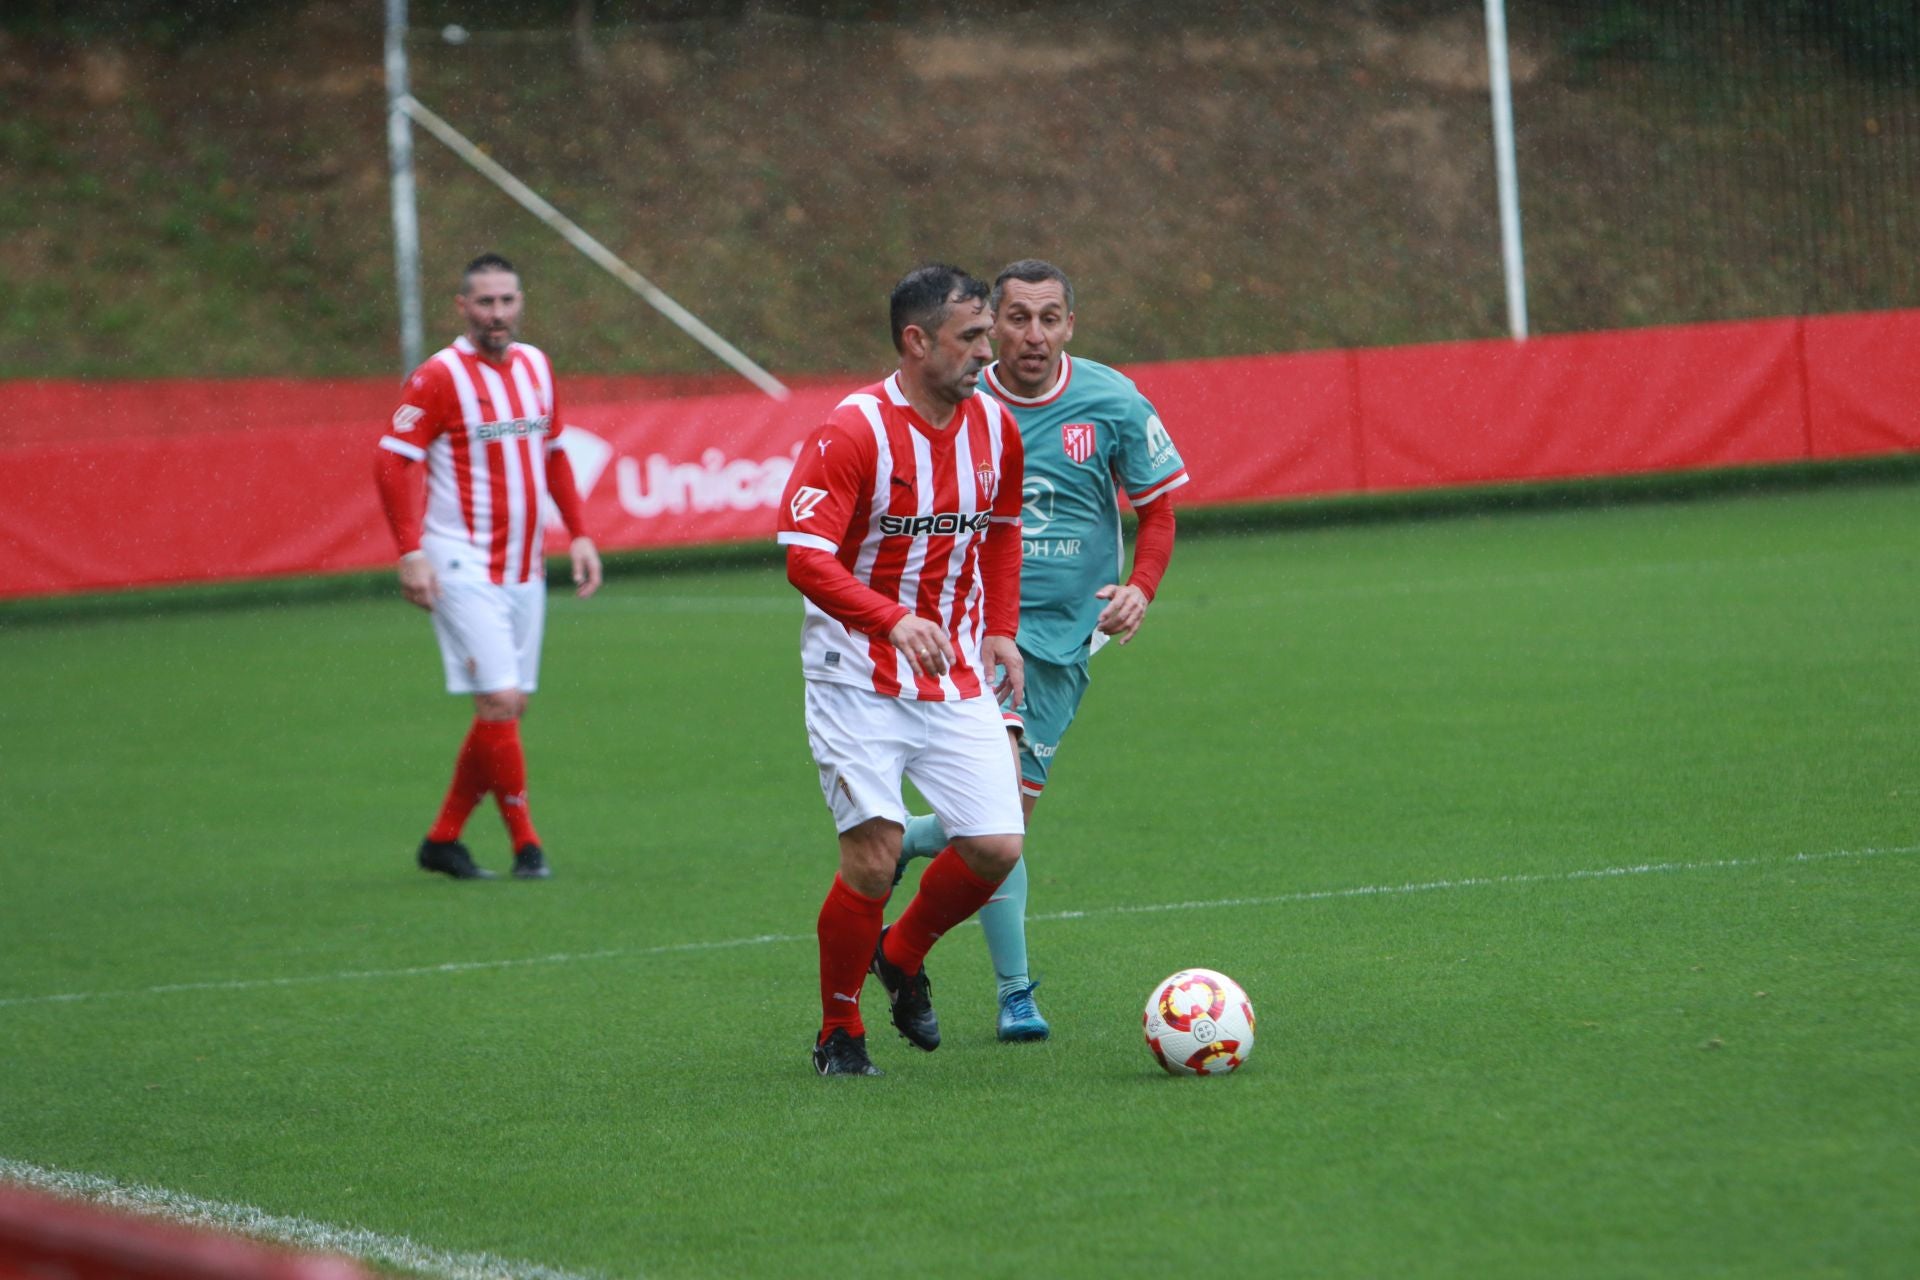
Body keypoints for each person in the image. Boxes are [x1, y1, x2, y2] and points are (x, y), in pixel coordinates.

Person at [894, 259, 1189, 1041]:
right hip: (982, 631)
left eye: (1049, 318)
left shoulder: (1112, 401)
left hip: (1066, 642)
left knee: (998, 819)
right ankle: (1015, 992)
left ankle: (904, 838)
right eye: (1016, 318)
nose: (1032, 335)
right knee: (1000, 818)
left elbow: (1158, 509)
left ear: (1071, 325)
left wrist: (1142, 587)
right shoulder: (966, 397)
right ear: (993, 326)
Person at [777, 264, 1029, 1077]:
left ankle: (902, 950)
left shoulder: (997, 427)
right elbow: (806, 559)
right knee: (875, 856)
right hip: (854, 676)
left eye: (988, 335)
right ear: (916, 342)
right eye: (973, 337)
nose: (990, 353)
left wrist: (997, 628)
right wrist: (890, 618)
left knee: (995, 846)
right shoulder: (853, 431)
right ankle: (838, 1032)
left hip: (951, 672)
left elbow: (998, 529)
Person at [374, 252, 603, 881]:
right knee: (500, 697)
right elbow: (393, 460)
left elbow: (554, 454)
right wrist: (410, 550)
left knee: (507, 706)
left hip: (524, 563)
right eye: (484, 302)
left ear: (520, 302)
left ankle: (442, 840)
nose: (496, 313)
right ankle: (526, 846)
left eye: (506, 301)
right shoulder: (438, 377)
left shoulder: (535, 366)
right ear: (462, 307)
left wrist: (580, 533)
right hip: (459, 558)